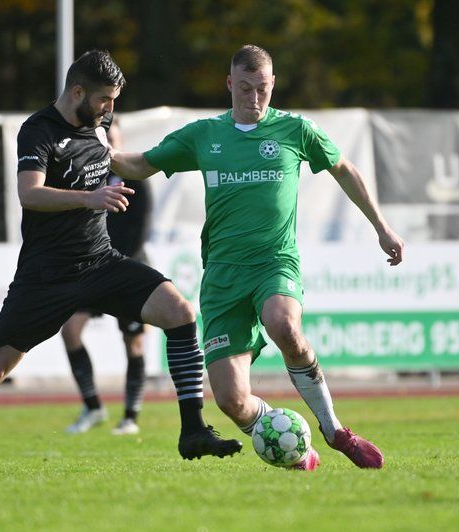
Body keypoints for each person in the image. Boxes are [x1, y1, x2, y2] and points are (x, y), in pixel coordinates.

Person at [0, 50, 242, 478]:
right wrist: (90, 198)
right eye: (104, 99)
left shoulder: (100, 125)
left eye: (113, 100)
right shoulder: (38, 131)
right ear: (77, 92)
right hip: (46, 276)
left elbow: (125, 162)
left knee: (180, 313)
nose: (109, 108)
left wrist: (182, 156)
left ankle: (193, 430)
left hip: (101, 261)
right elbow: (29, 193)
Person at [111, 44, 404, 471]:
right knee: (232, 401)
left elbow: (344, 169)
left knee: (283, 324)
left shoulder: (295, 130)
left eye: (262, 89)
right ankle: (294, 448)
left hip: (274, 262)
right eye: (245, 88)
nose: (254, 98)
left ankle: (334, 430)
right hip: (222, 276)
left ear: (273, 84)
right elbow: (140, 165)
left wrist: (382, 227)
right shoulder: (204, 135)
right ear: (230, 84)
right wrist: (98, 151)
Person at [62, 119, 154, 436]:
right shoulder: (85, 175)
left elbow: (141, 226)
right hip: (92, 267)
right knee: (70, 329)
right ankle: (92, 407)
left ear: (120, 139)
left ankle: (130, 417)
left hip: (127, 266)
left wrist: (123, 264)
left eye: (110, 135)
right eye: (99, 136)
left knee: (134, 342)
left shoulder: (134, 175)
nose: (104, 141)